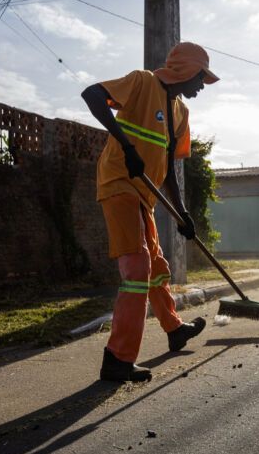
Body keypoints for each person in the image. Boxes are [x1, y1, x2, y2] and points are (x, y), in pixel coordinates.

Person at [81, 42, 219, 382]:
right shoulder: (142, 83)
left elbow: (168, 166)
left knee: (156, 265)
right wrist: (125, 145)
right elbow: (92, 95)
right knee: (137, 268)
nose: (201, 86)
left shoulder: (180, 113)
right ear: (185, 70)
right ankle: (117, 359)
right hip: (118, 183)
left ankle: (174, 329)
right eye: (200, 78)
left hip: (145, 195)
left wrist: (183, 213)